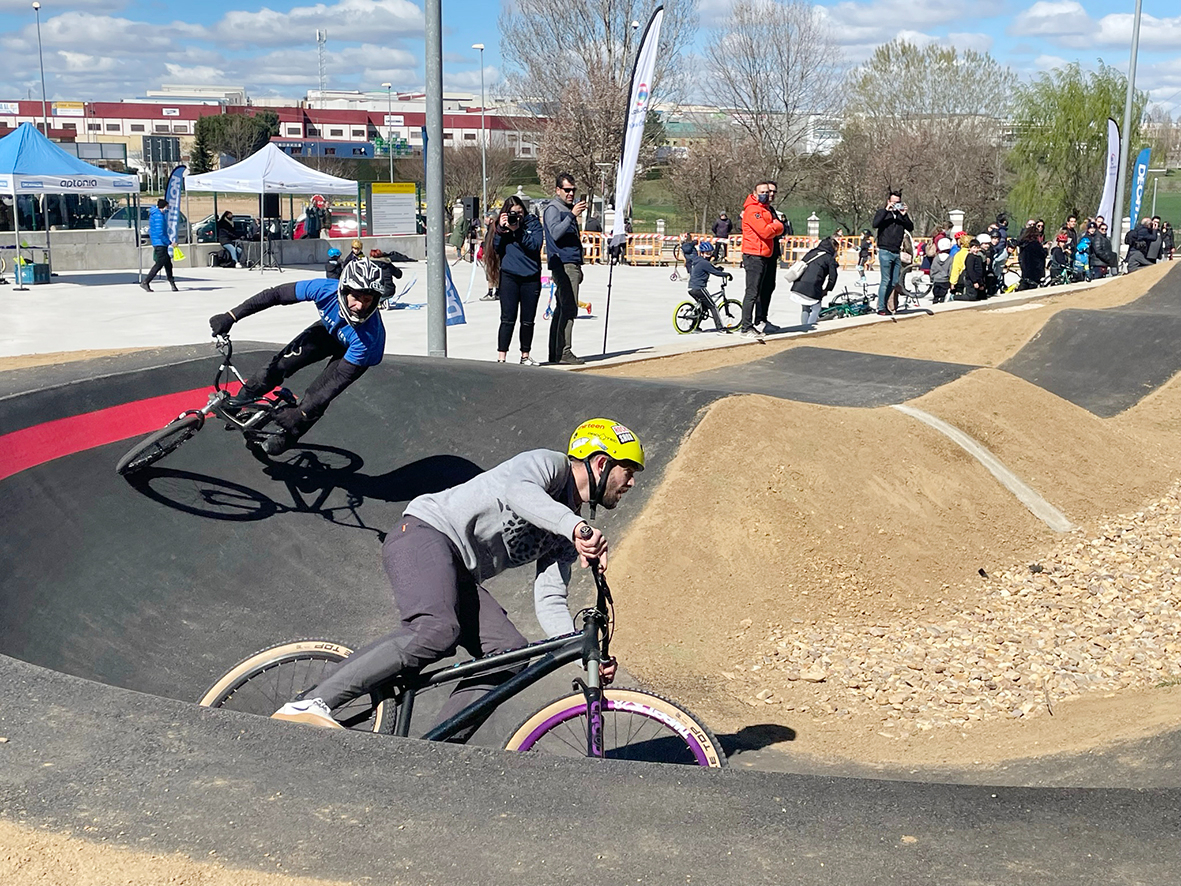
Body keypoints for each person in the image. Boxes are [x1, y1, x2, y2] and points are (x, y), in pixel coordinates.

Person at [270, 419, 645, 735]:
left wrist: (583, 654)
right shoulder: (549, 466)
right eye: (627, 472)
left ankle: (435, 750)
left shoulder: (566, 527)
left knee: (510, 654)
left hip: (457, 572)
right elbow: (519, 493)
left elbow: (549, 598)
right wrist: (575, 527)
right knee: (436, 628)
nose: (630, 484)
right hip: (424, 533)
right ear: (600, 463)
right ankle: (309, 703)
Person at [206, 258, 386, 456]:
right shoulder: (324, 289)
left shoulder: (369, 340)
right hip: (329, 331)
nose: (360, 306)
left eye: (367, 300)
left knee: (315, 395)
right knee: (279, 365)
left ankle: (291, 434)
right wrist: (231, 316)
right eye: (356, 297)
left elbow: (335, 383)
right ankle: (239, 401)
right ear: (343, 290)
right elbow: (275, 295)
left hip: (353, 351)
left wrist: (299, 414)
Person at [486, 195, 544, 365]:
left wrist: (517, 229)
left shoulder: (532, 224)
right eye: (512, 213)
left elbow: (534, 245)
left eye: (519, 213)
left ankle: (525, 355)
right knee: (507, 318)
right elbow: (496, 248)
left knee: (527, 320)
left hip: (531, 277)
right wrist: (501, 230)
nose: (516, 217)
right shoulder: (502, 227)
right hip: (510, 276)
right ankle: (501, 356)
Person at [543, 173, 587, 365]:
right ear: (558, 190)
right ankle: (563, 351)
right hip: (563, 263)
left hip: (571, 263)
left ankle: (556, 352)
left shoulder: (564, 209)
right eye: (567, 190)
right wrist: (571, 216)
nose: (571, 194)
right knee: (568, 308)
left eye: (573, 190)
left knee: (562, 307)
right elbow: (555, 233)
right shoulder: (554, 209)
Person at [738, 180, 785, 340]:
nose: (768, 195)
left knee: (766, 288)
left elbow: (779, 227)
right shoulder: (754, 211)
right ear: (755, 193)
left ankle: (760, 320)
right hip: (755, 254)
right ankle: (746, 326)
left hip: (767, 253)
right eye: (764, 192)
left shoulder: (766, 209)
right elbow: (766, 231)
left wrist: (776, 226)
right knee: (752, 291)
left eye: (771, 192)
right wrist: (777, 226)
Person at [871, 188, 914, 315]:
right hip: (885, 250)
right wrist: (886, 210)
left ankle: (884, 303)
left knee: (895, 280)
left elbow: (910, 227)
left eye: (898, 202)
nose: (896, 205)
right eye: (894, 202)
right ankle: (881, 307)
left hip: (896, 251)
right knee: (886, 279)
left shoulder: (901, 217)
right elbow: (875, 224)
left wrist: (904, 214)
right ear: (889, 201)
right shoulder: (882, 213)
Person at [789, 235, 838, 329]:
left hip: (799, 284)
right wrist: (827, 289)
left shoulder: (812, 252)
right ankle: (809, 327)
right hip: (813, 286)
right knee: (816, 309)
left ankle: (803, 328)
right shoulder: (828, 258)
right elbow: (833, 276)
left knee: (805, 308)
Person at [685, 240, 732, 333]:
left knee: (704, 307)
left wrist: (718, 269)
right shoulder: (704, 263)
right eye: (706, 253)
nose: (709, 255)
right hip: (699, 288)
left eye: (710, 253)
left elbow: (711, 268)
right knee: (713, 306)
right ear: (702, 253)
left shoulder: (698, 261)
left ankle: (695, 327)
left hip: (691, 288)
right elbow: (715, 272)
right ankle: (720, 328)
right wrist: (727, 274)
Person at [141, 198, 178, 293]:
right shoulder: (159, 217)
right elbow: (160, 233)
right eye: (167, 207)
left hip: (159, 243)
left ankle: (172, 284)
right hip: (160, 243)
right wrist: (169, 243)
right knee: (159, 264)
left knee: (168, 264)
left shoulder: (156, 215)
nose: (168, 209)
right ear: (164, 207)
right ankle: (146, 282)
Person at [1016, 223, 1047, 290]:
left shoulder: (1023, 244)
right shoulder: (1035, 245)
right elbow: (1043, 254)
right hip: (1035, 271)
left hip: (1025, 269)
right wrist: (1045, 249)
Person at [930, 237, 953, 303]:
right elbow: (950, 270)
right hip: (945, 280)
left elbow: (933, 269)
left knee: (936, 294)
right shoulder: (950, 258)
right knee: (943, 295)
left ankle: (935, 301)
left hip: (936, 279)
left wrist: (932, 277)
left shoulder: (936, 258)